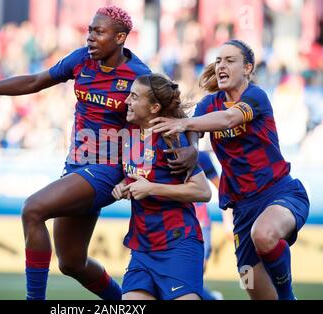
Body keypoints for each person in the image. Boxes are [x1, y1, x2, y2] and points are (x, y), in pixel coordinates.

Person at [0, 5, 198, 300]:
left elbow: (175, 111)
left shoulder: (138, 76)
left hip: (107, 169)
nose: (90, 37)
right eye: (89, 30)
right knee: (72, 263)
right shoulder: (81, 60)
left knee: (33, 209)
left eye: (98, 32)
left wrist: (193, 148)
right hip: (76, 166)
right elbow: (35, 81)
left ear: (120, 38)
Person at [150, 40, 310, 300]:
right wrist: (190, 148)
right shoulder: (207, 105)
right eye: (218, 60)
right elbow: (194, 135)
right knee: (248, 279)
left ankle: (287, 296)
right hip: (242, 210)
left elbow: (230, 118)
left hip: (279, 193)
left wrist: (182, 124)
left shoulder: (255, 96)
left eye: (230, 60)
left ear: (247, 68)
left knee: (264, 234)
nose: (221, 65)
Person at [112, 73, 211, 300]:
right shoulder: (130, 135)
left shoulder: (171, 139)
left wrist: (151, 188)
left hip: (178, 245)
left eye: (134, 97)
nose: (127, 101)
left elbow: (202, 191)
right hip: (143, 248)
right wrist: (123, 185)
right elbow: (139, 176)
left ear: (155, 107)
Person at [194, 151, 233, 300]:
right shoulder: (159, 152)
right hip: (172, 223)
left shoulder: (201, 157)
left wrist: (228, 222)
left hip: (200, 223)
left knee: (197, 270)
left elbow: (223, 190)